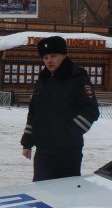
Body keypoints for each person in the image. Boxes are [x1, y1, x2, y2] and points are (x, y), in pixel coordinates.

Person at [21, 36, 99, 181]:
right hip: (43, 150)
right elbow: (34, 112)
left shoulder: (77, 77)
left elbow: (91, 111)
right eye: (45, 57)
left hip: (68, 152)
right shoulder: (43, 79)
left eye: (53, 56)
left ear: (64, 55)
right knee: (41, 192)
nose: (49, 61)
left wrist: (68, 133)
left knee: (66, 196)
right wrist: (27, 142)